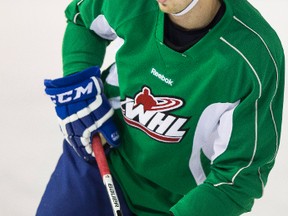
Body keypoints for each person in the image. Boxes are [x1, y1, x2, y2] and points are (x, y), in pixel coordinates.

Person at [37, 0, 285, 215]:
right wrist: (80, 88)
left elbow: (239, 179)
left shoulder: (253, 58)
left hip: (177, 204)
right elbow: (83, 19)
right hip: (100, 156)